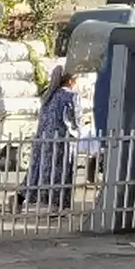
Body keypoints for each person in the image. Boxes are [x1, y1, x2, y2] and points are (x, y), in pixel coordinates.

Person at [21, 70, 79, 212]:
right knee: (62, 171)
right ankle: (57, 206)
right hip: (61, 140)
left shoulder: (49, 95)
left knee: (43, 171)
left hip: (45, 139)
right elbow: (75, 118)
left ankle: (29, 198)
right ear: (71, 81)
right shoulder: (71, 95)